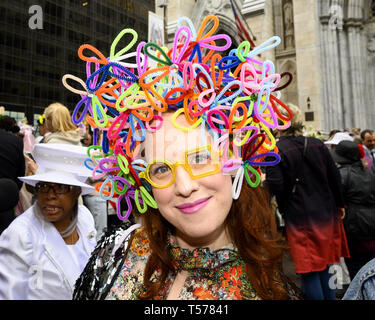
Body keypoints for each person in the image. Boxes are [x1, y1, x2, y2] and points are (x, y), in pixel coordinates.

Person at [70, 15, 302, 300]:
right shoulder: (117, 252)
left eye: (200, 158)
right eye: (160, 169)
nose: (184, 185)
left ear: (236, 160)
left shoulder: (272, 294)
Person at [265, 103, 349, 300]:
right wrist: (340, 204)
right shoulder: (317, 144)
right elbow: (334, 176)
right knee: (326, 264)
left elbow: (275, 185)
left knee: (308, 270)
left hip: (300, 216)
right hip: (326, 212)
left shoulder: (276, 150)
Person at [0, 143, 97, 299]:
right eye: (44, 186)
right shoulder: (20, 235)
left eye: (60, 187)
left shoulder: (84, 218)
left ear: (77, 192)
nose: (50, 195)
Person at [332, 140, 375, 280]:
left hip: (354, 225)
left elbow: (336, 200)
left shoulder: (342, 174)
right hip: (371, 223)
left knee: (357, 269)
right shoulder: (370, 171)